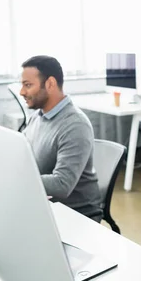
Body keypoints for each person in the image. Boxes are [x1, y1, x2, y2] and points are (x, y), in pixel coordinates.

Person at [20, 55, 102, 222]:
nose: (22, 92)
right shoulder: (37, 116)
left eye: (28, 85)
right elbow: (22, 152)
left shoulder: (75, 125)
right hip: (44, 203)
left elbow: (62, 184)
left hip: (75, 214)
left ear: (50, 84)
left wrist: (18, 178)